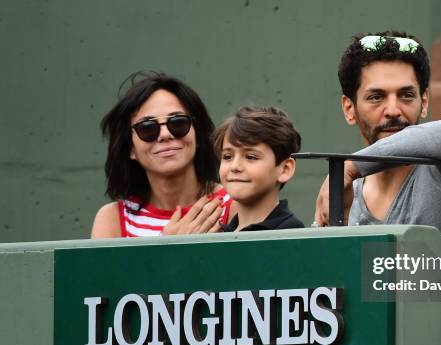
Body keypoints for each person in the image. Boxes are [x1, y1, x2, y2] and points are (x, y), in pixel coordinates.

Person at [314, 31, 441, 234]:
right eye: (376, 97)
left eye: (406, 95)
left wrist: (349, 167)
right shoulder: (346, 192)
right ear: (349, 109)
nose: (393, 110)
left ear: (424, 102)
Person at [91, 72, 232, 238]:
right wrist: (167, 246)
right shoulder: (113, 219)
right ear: (130, 148)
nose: (165, 134)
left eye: (178, 123)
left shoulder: (233, 203)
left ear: (198, 135)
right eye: (147, 128)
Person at [213, 106, 304, 231]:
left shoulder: (290, 234)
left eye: (250, 157)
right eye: (227, 156)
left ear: (285, 169)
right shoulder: (220, 233)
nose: (235, 167)